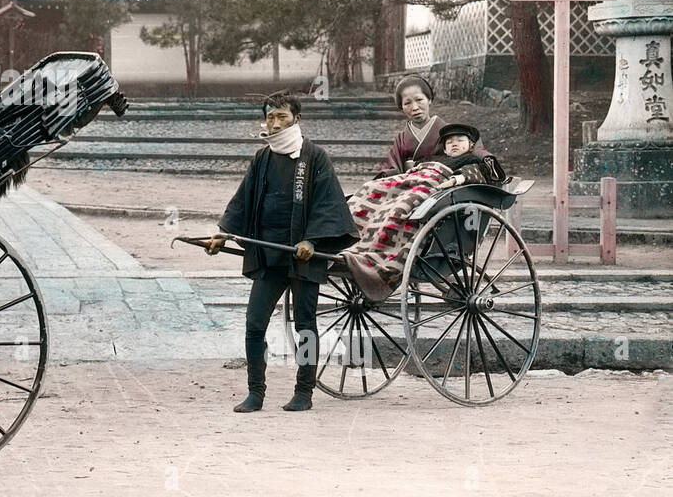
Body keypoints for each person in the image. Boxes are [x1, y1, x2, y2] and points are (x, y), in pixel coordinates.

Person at [205, 92, 357, 413]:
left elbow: (329, 205)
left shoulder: (315, 157)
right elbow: (242, 202)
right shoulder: (262, 158)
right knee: (254, 322)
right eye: (270, 117)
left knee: (305, 324)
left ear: (296, 119)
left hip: (304, 256)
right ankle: (255, 392)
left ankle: (304, 391)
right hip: (269, 253)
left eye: (282, 117)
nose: (275, 123)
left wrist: (313, 241)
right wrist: (224, 234)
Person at [342, 122, 507, 301]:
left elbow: (471, 175)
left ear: (471, 145)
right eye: (449, 141)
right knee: (371, 189)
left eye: (460, 140)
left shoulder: (472, 161)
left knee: (400, 207)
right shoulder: (434, 160)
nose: (454, 143)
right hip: (414, 179)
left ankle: (383, 252)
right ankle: (349, 241)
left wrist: (453, 181)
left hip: (435, 185)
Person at [379, 75, 487, 176]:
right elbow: (391, 167)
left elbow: (475, 150)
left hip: (442, 182)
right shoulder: (401, 139)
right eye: (407, 103)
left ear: (429, 99)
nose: (415, 107)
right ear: (401, 107)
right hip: (409, 182)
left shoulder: (450, 132)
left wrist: (486, 159)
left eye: (419, 100)